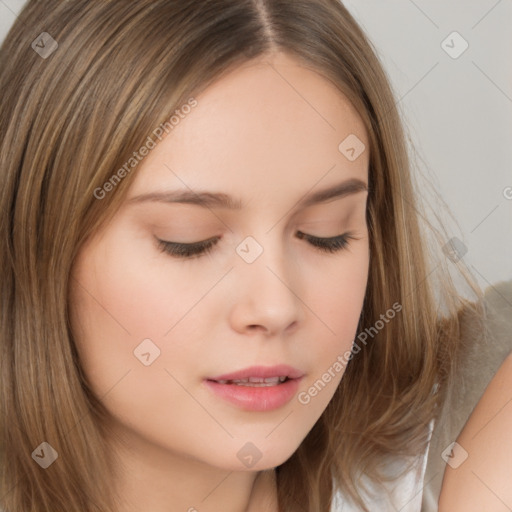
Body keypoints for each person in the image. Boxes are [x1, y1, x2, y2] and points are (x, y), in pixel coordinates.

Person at [0, 1, 484, 511]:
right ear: (33, 239)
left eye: (325, 235)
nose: (275, 308)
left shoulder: (455, 458)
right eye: (189, 241)